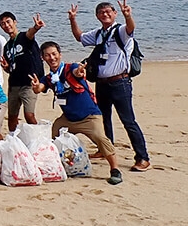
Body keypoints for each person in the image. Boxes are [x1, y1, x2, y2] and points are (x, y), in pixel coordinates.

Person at [69, 0, 150, 172]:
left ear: (114, 13)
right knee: (103, 119)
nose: (105, 14)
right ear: (97, 16)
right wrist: (73, 20)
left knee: (128, 121)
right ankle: (105, 149)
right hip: (102, 84)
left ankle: (143, 158)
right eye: (101, 12)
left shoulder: (121, 31)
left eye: (108, 11)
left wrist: (128, 15)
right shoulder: (99, 33)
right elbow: (79, 37)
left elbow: (130, 28)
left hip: (120, 83)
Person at [30, 41, 123, 185]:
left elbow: (77, 72)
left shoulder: (70, 68)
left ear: (60, 55)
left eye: (54, 54)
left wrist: (79, 72)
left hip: (89, 116)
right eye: (47, 55)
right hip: (68, 119)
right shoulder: (49, 78)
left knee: (100, 138)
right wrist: (36, 87)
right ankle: (56, 164)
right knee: (53, 136)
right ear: (43, 58)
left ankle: (115, 169)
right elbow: (40, 88)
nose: (52, 58)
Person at [0, 11, 45, 132]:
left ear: (15, 22)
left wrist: (36, 27)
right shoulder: (7, 46)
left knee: (29, 115)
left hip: (29, 83)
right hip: (14, 84)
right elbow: (11, 68)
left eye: (8, 22)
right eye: (3, 24)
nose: (6, 25)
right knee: (12, 117)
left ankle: (40, 138)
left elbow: (30, 33)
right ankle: (13, 141)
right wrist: (6, 67)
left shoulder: (24, 37)